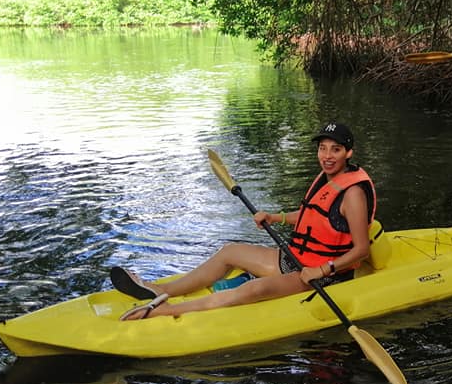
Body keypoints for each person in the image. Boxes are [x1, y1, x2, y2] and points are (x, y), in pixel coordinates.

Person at [110, 121, 376, 320]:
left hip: (322, 275)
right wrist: (275, 217)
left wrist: (323, 271)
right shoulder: (327, 179)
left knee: (254, 289)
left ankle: (166, 310)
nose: (327, 156)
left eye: (335, 150)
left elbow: (361, 250)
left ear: (348, 153)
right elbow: (314, 218)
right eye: (322, 148)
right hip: (296, 258)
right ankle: (161, 289)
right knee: (230, 251)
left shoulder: (353, 194)